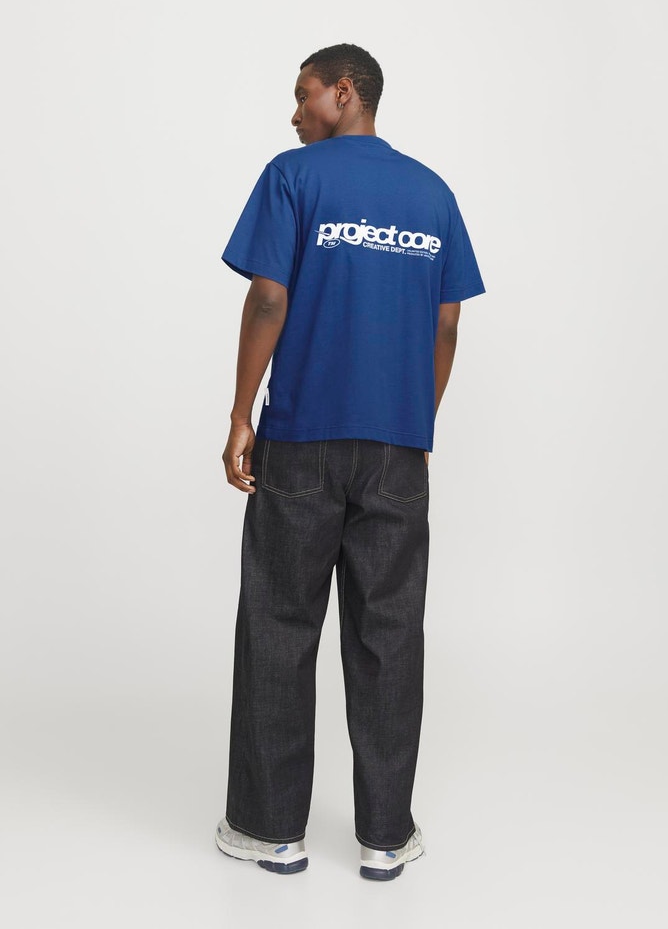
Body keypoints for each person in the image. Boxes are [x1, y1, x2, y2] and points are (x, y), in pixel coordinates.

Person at [214, 43, 485, 880]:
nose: (295, 113)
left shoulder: (294, 178)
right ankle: (384, 836)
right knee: (389, 635)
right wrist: (412, 417)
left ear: (345, 91)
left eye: (304, 95)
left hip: (302, 436)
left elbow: (268, 295)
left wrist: (239, 414)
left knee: (279, 624)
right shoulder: (432, 193)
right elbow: (447, 324)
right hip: (398, 445)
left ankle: (271, 830)